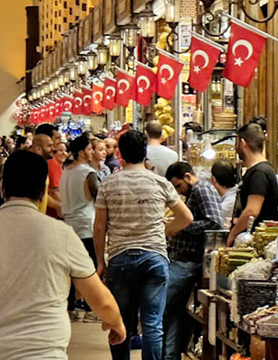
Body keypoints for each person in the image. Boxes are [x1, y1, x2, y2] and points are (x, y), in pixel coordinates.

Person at [0, 149, 125, 360]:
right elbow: (99, 299)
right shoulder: (63, 235)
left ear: (2, 188)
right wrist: (116, 322)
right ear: (42, 193)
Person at [94, 129, 184, 360]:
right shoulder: (160, 182)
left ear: (120, 154)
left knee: (120, 323)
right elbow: (186, 217)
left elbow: (99, 227)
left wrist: (100, 262)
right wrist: (162, 231)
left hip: (120, 258)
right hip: (154, 258)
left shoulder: (108, 184)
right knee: (153, 324)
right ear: (145, 153)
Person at [163, 162, 224, 360]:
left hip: (187, 262)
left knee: (167, 308)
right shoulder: (194, 192)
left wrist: (181, 226)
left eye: (178, 185)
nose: (178, 191)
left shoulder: (202, 190)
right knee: (172, 311)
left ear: (188, 176)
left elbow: (215, 222)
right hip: (181, 261)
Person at [61, 135, 101, 320]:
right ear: (82, 152)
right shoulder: (88, 173)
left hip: (69, 224)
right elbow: (99, 198)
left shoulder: (66, 171)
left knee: (69, 268)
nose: (92, 151)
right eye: (90, 148)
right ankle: (89, 306)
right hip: (86, 225)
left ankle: (70, 306)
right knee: (89, 268)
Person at [226, 123, 278, 245]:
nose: (235, 148)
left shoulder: (259, 173)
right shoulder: (258, 171)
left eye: (237, 143)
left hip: (256, 242)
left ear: (243, 143)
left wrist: (233, 234)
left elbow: (252, 211)